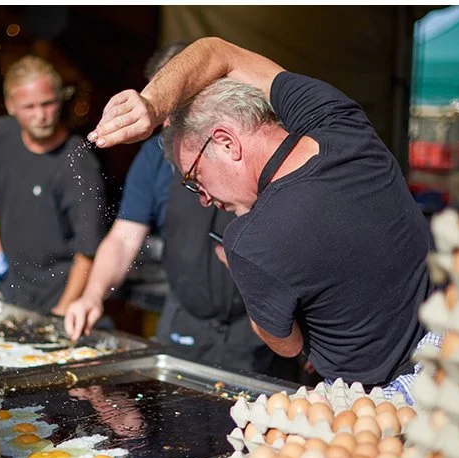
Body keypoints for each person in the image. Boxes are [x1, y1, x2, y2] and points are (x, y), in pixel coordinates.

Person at [85, 37, 440, 404]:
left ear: (226, 142)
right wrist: (153, 104)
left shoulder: (251, 242)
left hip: (380, 400)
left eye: (193, 178)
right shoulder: (337, 119)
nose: (204, 197)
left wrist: (252, 280)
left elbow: (287, 345)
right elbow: (221, 52)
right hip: (448, 345)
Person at [64, 42, 311, 382]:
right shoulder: (153, 156)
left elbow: (306, 243)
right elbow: (123, 238)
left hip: (258, 331)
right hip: (185, 320)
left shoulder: (253, 147)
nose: (166, 124)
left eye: (173, 108)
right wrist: (92, 295)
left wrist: (314, 330)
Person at [0, 56, 107, 315]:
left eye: (48, 104)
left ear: (60, 100)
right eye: (29, 107)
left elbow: (89, 251)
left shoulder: (79, 163)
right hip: (10, 288)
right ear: (10, 105)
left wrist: (63, 310)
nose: (41, 116)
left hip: (58, 294)